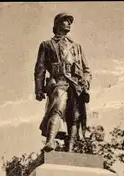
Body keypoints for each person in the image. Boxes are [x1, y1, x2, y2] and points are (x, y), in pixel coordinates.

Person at [34, 13, 92, 152]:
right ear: (57, 24)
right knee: (57, 109)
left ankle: (70, 149)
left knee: (75, 117)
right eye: (65, 21)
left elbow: (87, 69)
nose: (68, 23)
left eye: (70, 21)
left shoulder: (77, 46)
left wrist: (86, 80)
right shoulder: (47, 45)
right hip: (58, 82)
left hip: (76, 84)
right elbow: (40, 69)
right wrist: (39, 88)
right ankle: (50, 142)